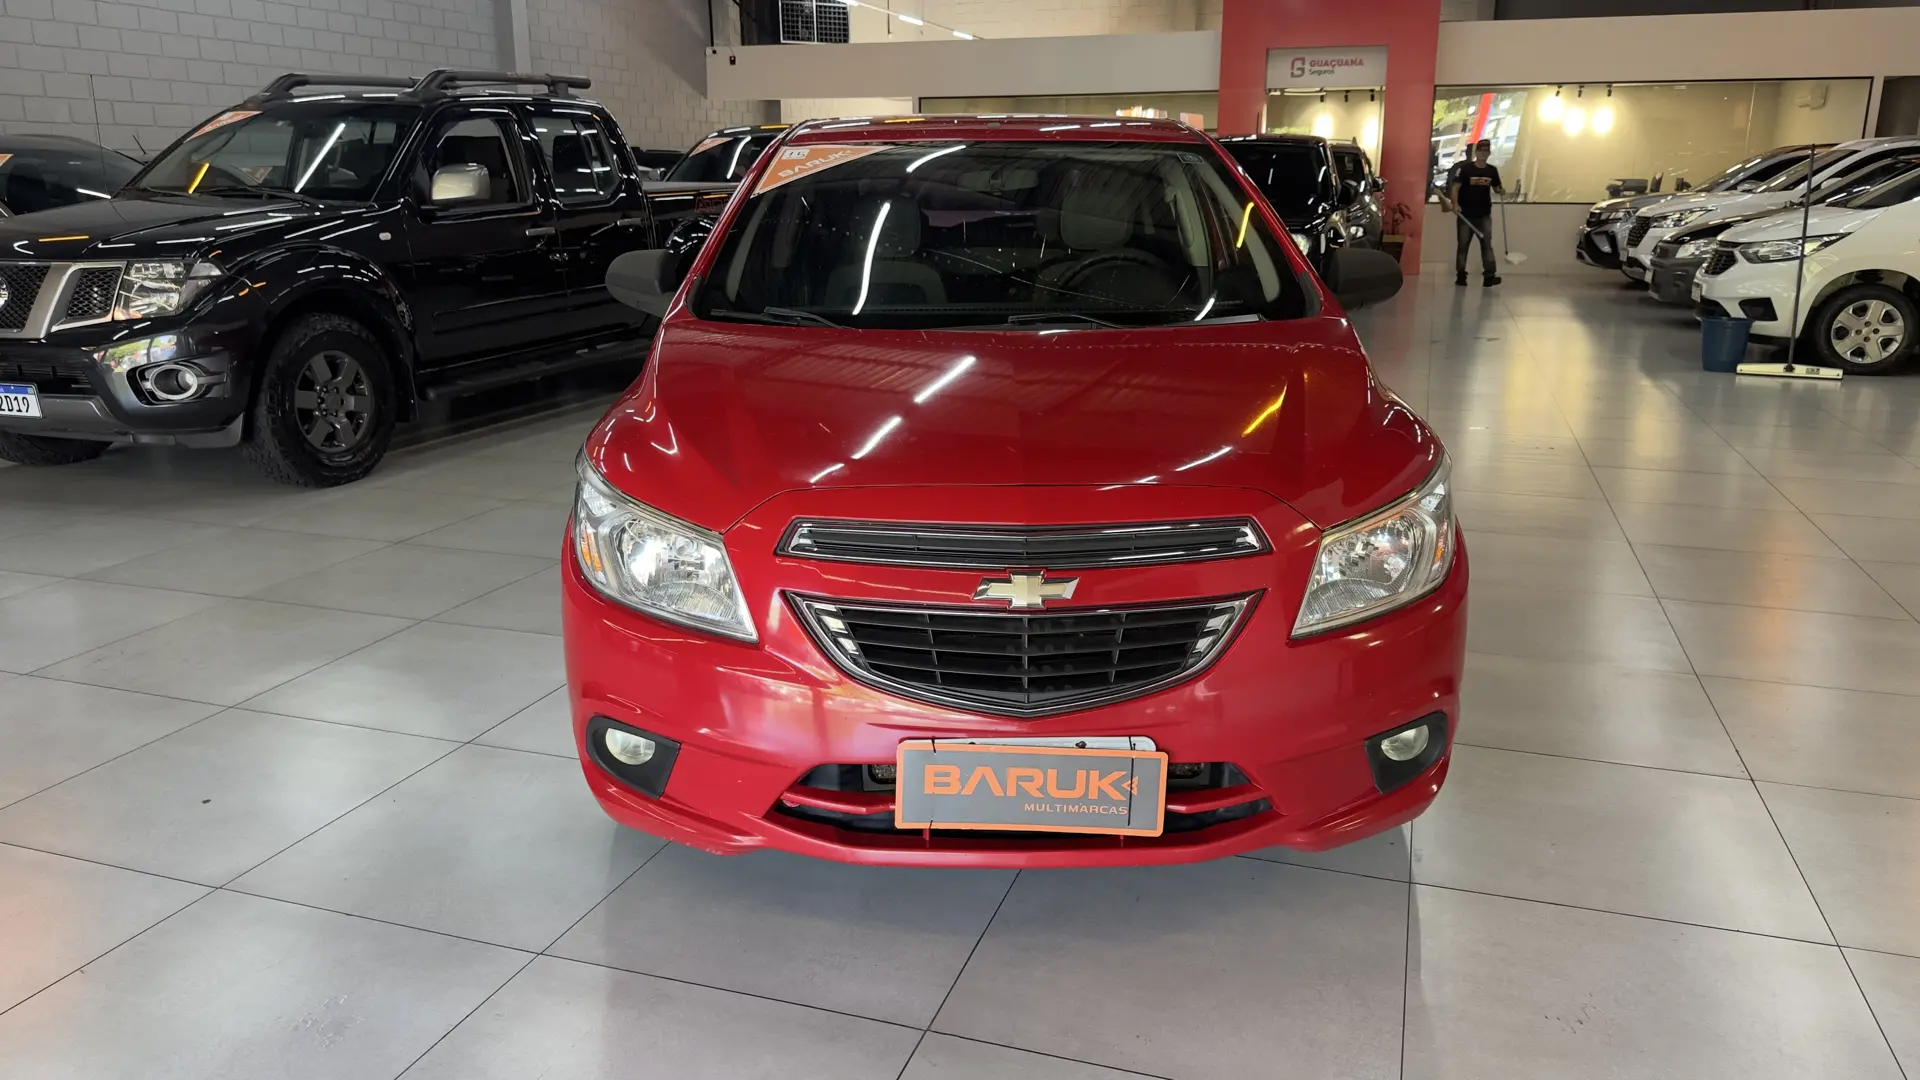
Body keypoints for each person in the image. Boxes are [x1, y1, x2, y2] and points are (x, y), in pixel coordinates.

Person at [1447, 139, 1503, 287]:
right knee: (1463, 246)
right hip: (1466, 215)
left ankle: (1489, 277)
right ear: (1476, 152)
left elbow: (1497, 187)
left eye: (1486, 151)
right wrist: (1455, 204)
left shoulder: (1492, 171)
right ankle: (1461, 276)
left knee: (1487, 245)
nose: (1483, 153)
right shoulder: (1465, 169)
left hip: (1484, 215)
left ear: (1489, 153)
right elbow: (1455, 187)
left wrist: (1501, 190)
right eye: (1481, 150)